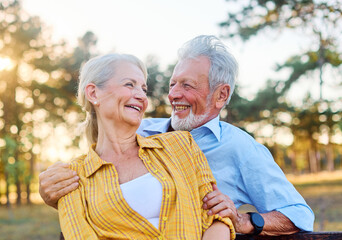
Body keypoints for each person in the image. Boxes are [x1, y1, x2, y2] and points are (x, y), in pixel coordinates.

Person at [39, 35, 314, 236]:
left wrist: (243, 222)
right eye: (172, 84)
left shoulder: (241, 149)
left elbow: (299, 215)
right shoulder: (141, 130)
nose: (173, 95)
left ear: (221, 95)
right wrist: (56, 192)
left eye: (187, 85)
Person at [56, 53, 235, 240]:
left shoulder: (181, 145)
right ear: (93, 93)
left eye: (143, 89)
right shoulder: (72, 178)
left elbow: (217, 217)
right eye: (129, 84)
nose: (141, 96)